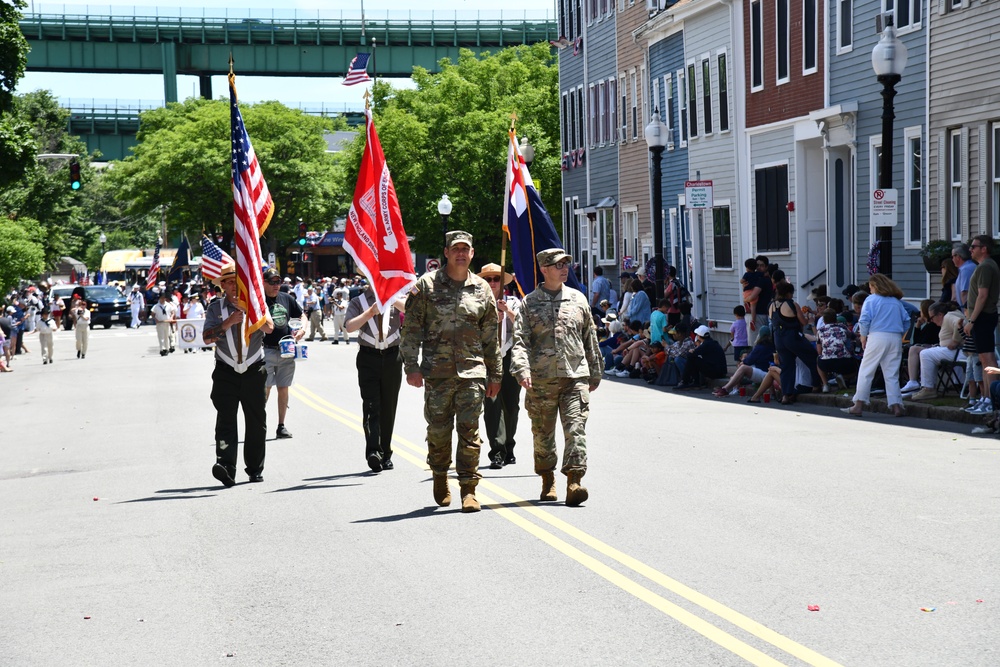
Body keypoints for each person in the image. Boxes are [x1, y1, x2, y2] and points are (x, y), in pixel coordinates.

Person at [400, 230, 501, 513]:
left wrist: (495, 375)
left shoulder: (482, 289)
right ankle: (440, 474)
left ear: (472, 253)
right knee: (439, 431)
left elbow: (491, 336)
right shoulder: (427, 286)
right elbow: (410, 330)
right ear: (446, 253)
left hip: (473, 373)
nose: (460, 254)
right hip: (437, 374)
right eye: (455, 249)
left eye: (465, 249)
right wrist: (411, 367)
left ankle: (469, 489)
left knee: (470, 432)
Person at [511, 248, 601, 507]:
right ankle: (547, 478)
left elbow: (589, 337)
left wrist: (595, 370)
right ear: (544, 269)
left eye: (566, 264)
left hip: (575, 377)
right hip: (541, 380)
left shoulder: (578, 299)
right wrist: (522, 370)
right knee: (543, 433)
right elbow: (520, 341)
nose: (564, 269)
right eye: (557, 264)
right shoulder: (530, 302)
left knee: (576, 429)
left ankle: (574, 480)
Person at [203, 262, 274, 487]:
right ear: (222, 285)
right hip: (226, 372)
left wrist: (253, 314)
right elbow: (207, 337)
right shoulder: (215, 308)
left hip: (254, 370)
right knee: (225, 419)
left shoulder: (257, 304)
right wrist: (229, 322)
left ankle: (254, 468)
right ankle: (225, 466)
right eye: (230, 282)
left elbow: (270, 328)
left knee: (256, 421)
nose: (235, 286)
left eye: (238, 281)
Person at [344, 282, 405, 472]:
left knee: (389, 406)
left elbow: (413, 310)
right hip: (368, 356)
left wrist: (392, 299)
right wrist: (369, 313)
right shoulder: (358, 301)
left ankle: (386, 452)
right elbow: (349, 327)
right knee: (371, 405)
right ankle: (373, 451)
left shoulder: (397, 299)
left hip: (392, 356)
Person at [842, 274, 911, 417]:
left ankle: (859, 404)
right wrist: (899, 332)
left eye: (871, 287)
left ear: (875, 286)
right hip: (895, 337)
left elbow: (864, 320)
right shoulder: (896, 302)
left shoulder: (871, 300)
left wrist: (863, 337)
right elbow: (906, 321)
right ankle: (896, 405)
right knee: (892, 373)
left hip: (877, 336)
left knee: (866, 370)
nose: (870, 289)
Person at [479, 263, 522, 469]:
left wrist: (508, 312)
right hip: (488, 359)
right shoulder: (478, 302)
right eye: (488, 279)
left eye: (496, 279)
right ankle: (497, 450)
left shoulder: (513, 302)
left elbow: (523, 327)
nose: (493, 283)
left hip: (510, 357)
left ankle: (509, 445)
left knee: (511, 406)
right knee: (492, 405)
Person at [261, 267, 305, 439]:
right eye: (271, 282)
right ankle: (259, 423)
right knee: (265, 387)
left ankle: (281, 425)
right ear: (264, 283)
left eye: (278, 281)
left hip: (287, 349)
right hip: (266, 350)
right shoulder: (260, 301)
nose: (275, 285)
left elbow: (302, 316)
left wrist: (303, 330)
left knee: (283, 388)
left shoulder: (286, 298)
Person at [962, 235, 1000, 407]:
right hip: (982, 317)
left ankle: (992, 399)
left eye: (974, 246)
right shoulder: (984, 266)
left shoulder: (985, 267)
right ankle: (985, 398)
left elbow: (982, 295)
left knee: (988, 358)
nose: (970, 250)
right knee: (983, 359)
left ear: (984, 248)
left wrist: (971, 320)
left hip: (983, 316)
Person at [769, 281, 820, 404]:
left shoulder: (771, 305)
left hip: (778, 338)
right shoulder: (792, 304)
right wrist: (810, 319)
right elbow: (803, 322)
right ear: (788, 293)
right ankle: (816, 385)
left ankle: (786, 394)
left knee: (786, 366)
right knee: (812, 357)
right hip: (792, 336)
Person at [713, 326, 775, 396]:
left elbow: (749, 360)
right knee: (742, 368)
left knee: (742, 367)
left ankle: (726, 389)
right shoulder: (772, 346)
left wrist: (743, 362)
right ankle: (730, 388)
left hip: (764, 374)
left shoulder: (760, 347)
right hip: (768, 372)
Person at [676, 325, 728, 389]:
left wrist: (691, 351)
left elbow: (691, 355)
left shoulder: (706, 344)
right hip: (720, 371)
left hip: (716, 372)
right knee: (695, 359)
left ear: (699, 336)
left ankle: (686, 381)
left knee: (692, 358)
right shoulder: (712, 342)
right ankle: (692, 381)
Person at [152, 292, 177, 356]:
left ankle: (167, 348)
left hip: (167, 322)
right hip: (160, 323)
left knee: (167, 335)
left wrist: (171, 318)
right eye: (161, 298)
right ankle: (162, 349)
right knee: (161, 336)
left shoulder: (168, 305)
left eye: (164, 298)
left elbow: (172, 312)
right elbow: (153, 314)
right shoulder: (156, 306)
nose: (163, 299)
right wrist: (156, 319)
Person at [952, 243, 976, 310]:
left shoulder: (966, 270)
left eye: (953, 256)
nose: (952, 259)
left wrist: (966, 312)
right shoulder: (967, 267)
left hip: (970, 312)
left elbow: (965, 293)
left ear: (958, 257)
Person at [330, 279, 351, 344]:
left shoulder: (344, 301)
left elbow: (341, 307)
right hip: (337, 315)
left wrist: (335, 303)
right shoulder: (336, 300)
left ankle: (347, 339)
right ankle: (336, 339)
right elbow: (334, 306)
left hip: (342, 315)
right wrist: (333, 312)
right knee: (336, 328)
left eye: (338, 295)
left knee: (344, 328)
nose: (337, 296)